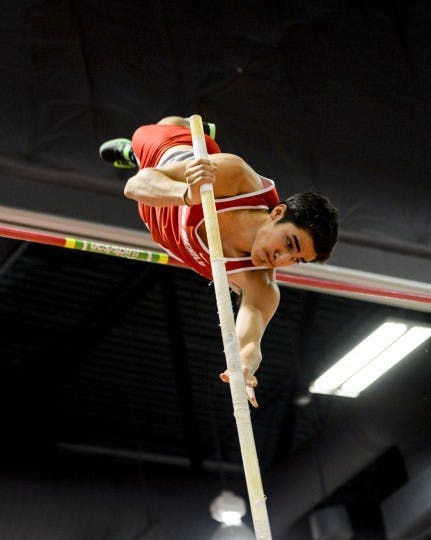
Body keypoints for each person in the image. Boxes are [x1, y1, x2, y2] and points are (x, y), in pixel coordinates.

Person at [99, 116, 339, 408]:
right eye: (289, 243)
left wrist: (245, 366)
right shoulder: (237, 177)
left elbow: (249, 343)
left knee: (209, 157)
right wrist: (186, 194)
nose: (282, 259)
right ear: (277, 213)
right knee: (159, 130)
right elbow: (137, 185)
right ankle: (153, 142)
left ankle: (201, 136)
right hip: (167, 158)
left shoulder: (261, 285)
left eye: (297, 259)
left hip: (162, 227)